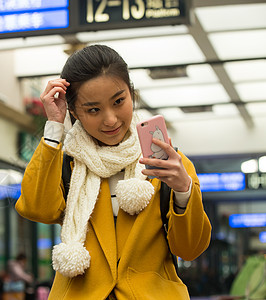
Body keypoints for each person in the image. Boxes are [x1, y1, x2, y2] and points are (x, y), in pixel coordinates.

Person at [15, 44, 212, 299]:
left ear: (132, 94)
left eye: (119, 101)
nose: (110, 119)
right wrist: (54, 126)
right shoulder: (68, 164)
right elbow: (36, 208)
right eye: (93, 109)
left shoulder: (169, 164)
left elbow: (190, 249)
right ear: (74, 111)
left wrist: (184, 191)